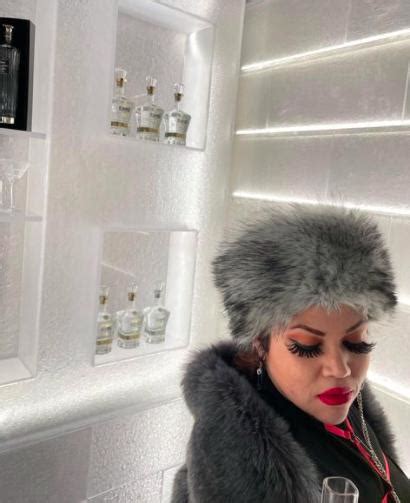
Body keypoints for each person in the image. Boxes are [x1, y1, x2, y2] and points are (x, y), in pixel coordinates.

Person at [171, 204, 410, 503]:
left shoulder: (352, 407)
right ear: (260, 344)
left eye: (355, 342)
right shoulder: (241, 459)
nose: (340, 369)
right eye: (307, 347)